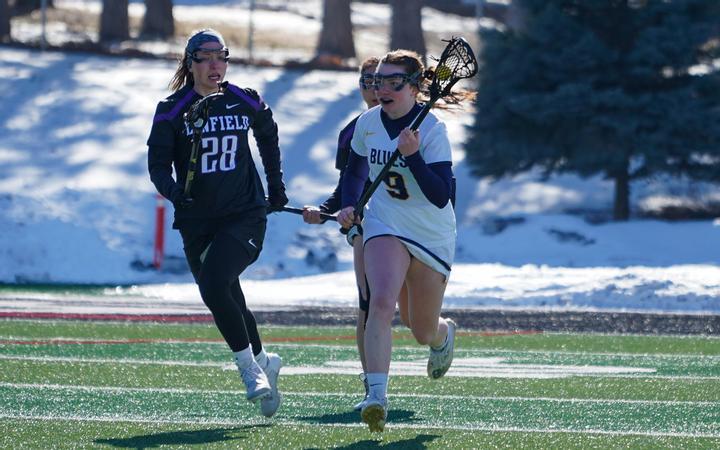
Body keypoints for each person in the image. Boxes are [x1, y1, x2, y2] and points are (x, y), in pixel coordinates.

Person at [147, 28, 288, 418]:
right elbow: (157, 166)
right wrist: (175, 193)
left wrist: (276, 187)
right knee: (227, 294)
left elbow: (268, 135)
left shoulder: (244, 99)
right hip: (197, 221)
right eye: (206, 58)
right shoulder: (171, 109)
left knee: (213, 284)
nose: (215, 65)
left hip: (245, 215)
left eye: (220, 57)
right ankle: (264, 361)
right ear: (190, 62)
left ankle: (249, 370)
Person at [337, 49, 462, 432]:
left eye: (394, 82)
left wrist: (413, 156)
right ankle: (376, 397)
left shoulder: (433, 131)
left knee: (420, 328)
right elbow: (354, 172)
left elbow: (441, 196)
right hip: (385, 222)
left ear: (414, 87)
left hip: (429, 232)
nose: (383, 90)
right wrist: (349, 205)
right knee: (380, 302)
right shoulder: (368, 123)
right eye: (379, 82)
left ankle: (443, 334)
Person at [301, 56, 410, 412]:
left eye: (381, 81)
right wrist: (324, 211)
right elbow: (347, 186)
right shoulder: (353, 131)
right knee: (369, 302)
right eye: (367, 82)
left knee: (414, 315)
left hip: (412, 224)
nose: (375, 89)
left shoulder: (415, 125)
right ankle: (372, 387)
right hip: (367, 225)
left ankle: (439, 334)